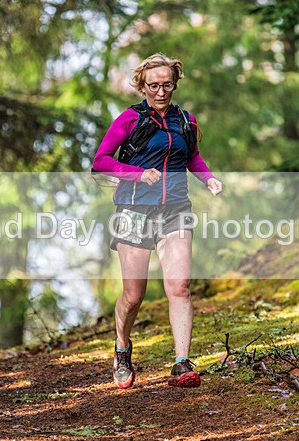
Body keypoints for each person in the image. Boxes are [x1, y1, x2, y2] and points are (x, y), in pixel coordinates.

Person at [93, 53, 223, 389]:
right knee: (133, 295)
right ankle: (122, 347)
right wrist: (137, 174)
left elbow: (192, 157)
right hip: (134, 210)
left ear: (175, 84)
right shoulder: (130, 119)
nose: (161, 92)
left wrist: (208, 179)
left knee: (179, 287)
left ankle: (181, 363)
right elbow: (101, 161)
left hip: (176, 209)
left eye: (166, 85)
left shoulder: (185, 120)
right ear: (143, 86)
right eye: (153, 86)